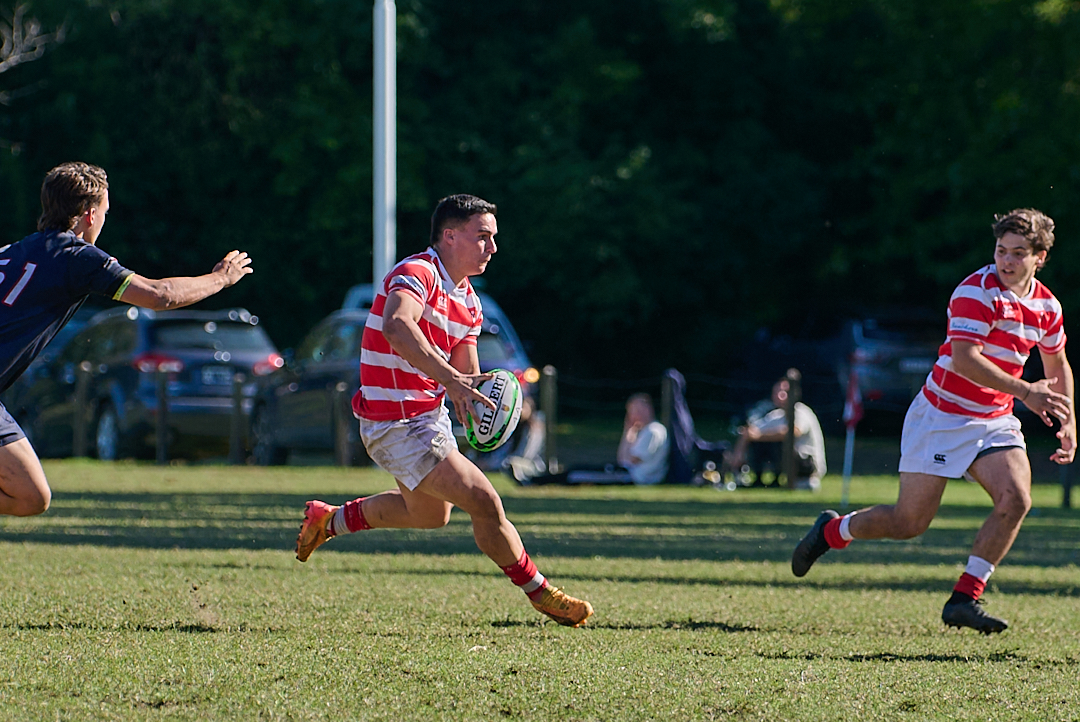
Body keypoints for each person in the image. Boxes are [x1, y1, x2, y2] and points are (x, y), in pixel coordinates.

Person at [295, 194, 593, 628]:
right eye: (483, 237)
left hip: (425, 419)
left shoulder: (470, 302)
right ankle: (541, 592)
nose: (492, 248)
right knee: (485, 501)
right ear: (449, 236)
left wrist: (483, 402)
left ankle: (329, 520)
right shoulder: (417, 273)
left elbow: (467, 372)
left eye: (493, 239)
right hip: (394, 422)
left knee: (431, 515)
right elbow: (398, 326)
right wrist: (452, 380)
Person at [791, 208, 1074, 634]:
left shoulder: (1046, 306)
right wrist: (1026, 392)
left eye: (1019, 253)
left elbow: (1057, 361)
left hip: (993, 419)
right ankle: (832, 531)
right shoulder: (975, 292)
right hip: (942, 416)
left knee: (1016, 498)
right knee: (909, 523)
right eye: (1001, 251)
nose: (1007, 261)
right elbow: (965, 360)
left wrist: (1068, 418)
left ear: (1041, 257)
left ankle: (965, 597)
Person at [0, 162, 253, 518]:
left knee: (31, 496)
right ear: (89, 213)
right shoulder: (76, 257)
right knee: (30, 496)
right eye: (104, 210)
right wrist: (220, 279)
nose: (104, 218)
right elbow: (158, 295)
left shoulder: (15, 251)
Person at [724, 374, 826, 490]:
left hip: (806, 465)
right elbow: (751, 431)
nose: (779, 396)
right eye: (776, 392)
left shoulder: (802, 412)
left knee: (778, 441)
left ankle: (785, 479)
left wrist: (760, 436)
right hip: (791, 461)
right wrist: (739, 453)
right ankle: (759, 479)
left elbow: (794, 432)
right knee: (759, 440)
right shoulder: (776, 415)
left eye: (783, 392)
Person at [616, 393, 669, 485]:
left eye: (637, 410)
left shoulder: (652, 431)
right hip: (638, 475)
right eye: (631, 411)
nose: (633, 414)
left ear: (648, 410)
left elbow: (629, 460)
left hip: (642, 477)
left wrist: (628, 430)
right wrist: (629, 431)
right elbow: (622, 459)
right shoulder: (645, 431)